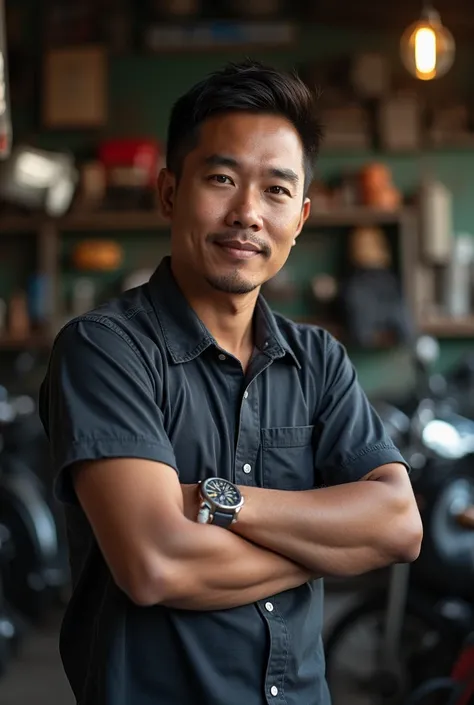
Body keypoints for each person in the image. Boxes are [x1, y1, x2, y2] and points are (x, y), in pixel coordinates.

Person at [39, 60, 423, 705]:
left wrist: (221, 502)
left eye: (275, 191)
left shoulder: (318, 359)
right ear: (169, 192)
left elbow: (399, 525)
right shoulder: (105, 350)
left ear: (299, 219)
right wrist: (329, 548)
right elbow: (155, 565)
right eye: (221, 178)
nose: (247, 212)